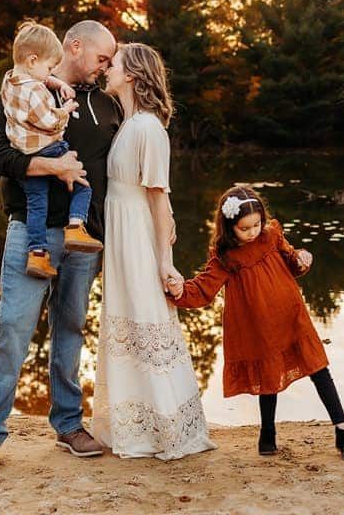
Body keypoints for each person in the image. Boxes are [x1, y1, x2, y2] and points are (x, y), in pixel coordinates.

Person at [0, 20, 121, 472]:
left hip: (82, 238)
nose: (105, 67)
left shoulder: (108, 106)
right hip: (29, 230)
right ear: (74, 48)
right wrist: (46, 168)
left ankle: (69, 425)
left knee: (71, 329)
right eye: (101, 58)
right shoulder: (25, 87)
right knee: (13, 327)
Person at [169, 186, 344, 460]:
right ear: (229, 227)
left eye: (256, 224)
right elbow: (204, 289)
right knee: (268, 377)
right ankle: (267, 435)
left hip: (292, 318)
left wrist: (302, 258)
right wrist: (180, 291)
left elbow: (292, 263)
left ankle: (343, 431)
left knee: (319, 368)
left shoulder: (271, 236)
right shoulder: (225, 257)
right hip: (260, 327)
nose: (253, 232)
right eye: (245, 228)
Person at [91, 43, 216, 461]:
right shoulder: (126, 125)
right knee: (126, 323)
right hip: (120, 237)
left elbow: (159, 200)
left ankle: (167, 428)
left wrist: (165, 261)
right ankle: (133, 425)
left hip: (138, 239)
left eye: (115, 63)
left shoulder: (148, 128)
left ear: (132, 75)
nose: (107, 68)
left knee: (148, 320)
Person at [0, 22, 103, 279]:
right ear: (33, 60)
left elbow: (38, 77)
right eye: (48, 67)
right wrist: (66, 110)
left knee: (37, 205)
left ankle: (37, 255)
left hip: (25, 153)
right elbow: (50, 121)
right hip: (48, 149)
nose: (50, 73)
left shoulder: (10, 81)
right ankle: (76, 226)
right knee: (81, 183)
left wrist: (55, 83)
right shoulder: (35, 91)